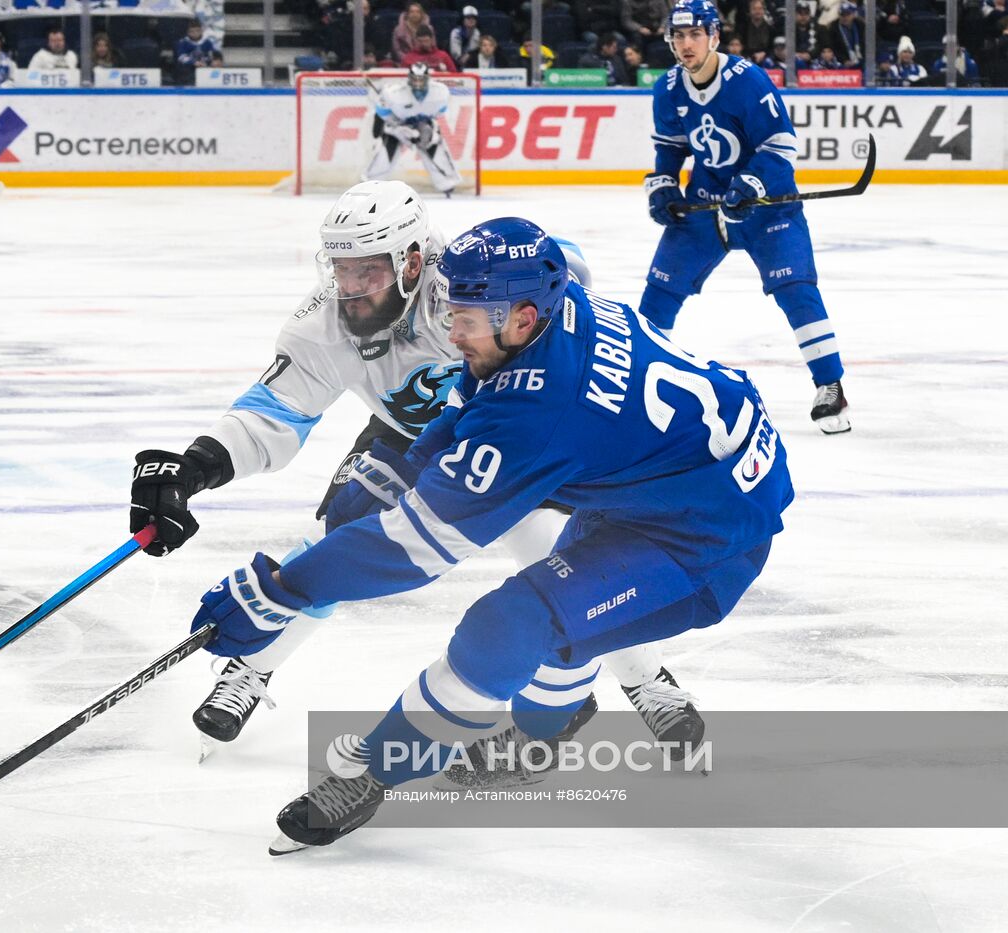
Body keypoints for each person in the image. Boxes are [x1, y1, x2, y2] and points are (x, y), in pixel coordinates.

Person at [180, 217, 792, 853]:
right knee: (557, 630)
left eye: (467, 318)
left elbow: (413, 550)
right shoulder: (559, 306)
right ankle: (549, 728)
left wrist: (280, 589)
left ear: (523, 316)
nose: (452, 331)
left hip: (708, 536)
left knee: (514, 624)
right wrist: (413, 461)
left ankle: (372, 774)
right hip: (661, 482)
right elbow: (483, 396)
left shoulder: (542, 414)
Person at [130, 182, 705, 771]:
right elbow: (273, 413)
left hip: (511, 430)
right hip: (410, 436)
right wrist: (194, 465)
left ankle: (643, 676)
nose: (351, 289)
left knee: (551, 555)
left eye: (368, 273)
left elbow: (562, 270)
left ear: (411, 259)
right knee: (339, 537)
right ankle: (251, 668)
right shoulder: (321, 326)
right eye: (342, 270)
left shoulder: (468, 287)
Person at [642, 0, 850, 433]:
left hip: (766, 205)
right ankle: (635, 385)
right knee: (659, 293)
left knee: (796, 289)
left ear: (714, 36)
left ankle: (830, 385)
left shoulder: (747, 81)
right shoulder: (668, 87)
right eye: (678, 36)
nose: (686, 44)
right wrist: (663, 186)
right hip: (706, 204)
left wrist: (751, 184)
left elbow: (779, 145)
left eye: (695, 34)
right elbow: (670, 149)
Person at [363, 64, 461, 194]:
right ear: (409, 78)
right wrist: (399, 128)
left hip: (423, 125)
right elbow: (382, 113)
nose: (418, 82)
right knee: (383, 155)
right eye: (415, 79)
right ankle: (370, 183)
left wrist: (423, 130)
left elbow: (438, 115)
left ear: (428, 78)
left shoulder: (440, 92)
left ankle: (447, 183)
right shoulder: (394, 93)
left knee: (434, 144)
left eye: (421, 79)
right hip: (397, 126)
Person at [174, 19, 218, 83]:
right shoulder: (183, 42)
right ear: (187, 32)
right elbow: (181, 57)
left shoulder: (207, 42)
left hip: (204, 67)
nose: (195, 33)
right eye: (191, 31)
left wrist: (206, 62)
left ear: (201, 30)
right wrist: (193, 62)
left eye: (197, 31)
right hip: (188, 69)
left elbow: (211, 55)